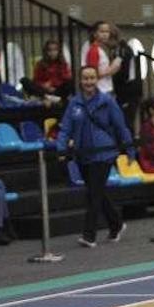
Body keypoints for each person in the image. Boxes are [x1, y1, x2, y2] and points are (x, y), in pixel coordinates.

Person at [55, 65, 131, 248]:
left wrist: (130, 150)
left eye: (92, 78)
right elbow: (65, 128)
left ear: (97, 80)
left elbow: (121, 126)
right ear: (80, 81)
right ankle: (117, 224)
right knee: (97, 192)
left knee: (93, 195)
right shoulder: (74, 103)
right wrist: (61, 148)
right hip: (83, 154)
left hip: (104, 153)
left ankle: (89, 235)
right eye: (85, 78)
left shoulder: (107, 101)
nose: (88, 82)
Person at [81, 21, 120, 95]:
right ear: (95, 34)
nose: (105, 34)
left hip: (106, 88)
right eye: (102, 32)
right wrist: (110, 70)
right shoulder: (94, 50)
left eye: (107, 32)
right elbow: (91, 74)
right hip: (100, 90)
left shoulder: (102, 49)